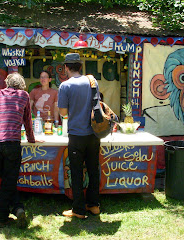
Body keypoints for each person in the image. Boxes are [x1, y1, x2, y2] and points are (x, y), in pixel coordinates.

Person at [0, 72, 38, 228]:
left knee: (7, 180)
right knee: (9, 182)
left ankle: (18, 208)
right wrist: (32, 140)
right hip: (11, 142)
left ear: (7, 83)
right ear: (22, 84)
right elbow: (27, 121)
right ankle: (1, 217)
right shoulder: (24, 95)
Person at [58, 53, 101, 219]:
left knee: (76, 172)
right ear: (81, 67)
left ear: (67, 67)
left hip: (76, 134)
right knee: (93, 169)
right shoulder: (92, 81)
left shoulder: (65, 86)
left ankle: (78, 209)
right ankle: (94, 205)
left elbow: (63, 113)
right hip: (94, 134)